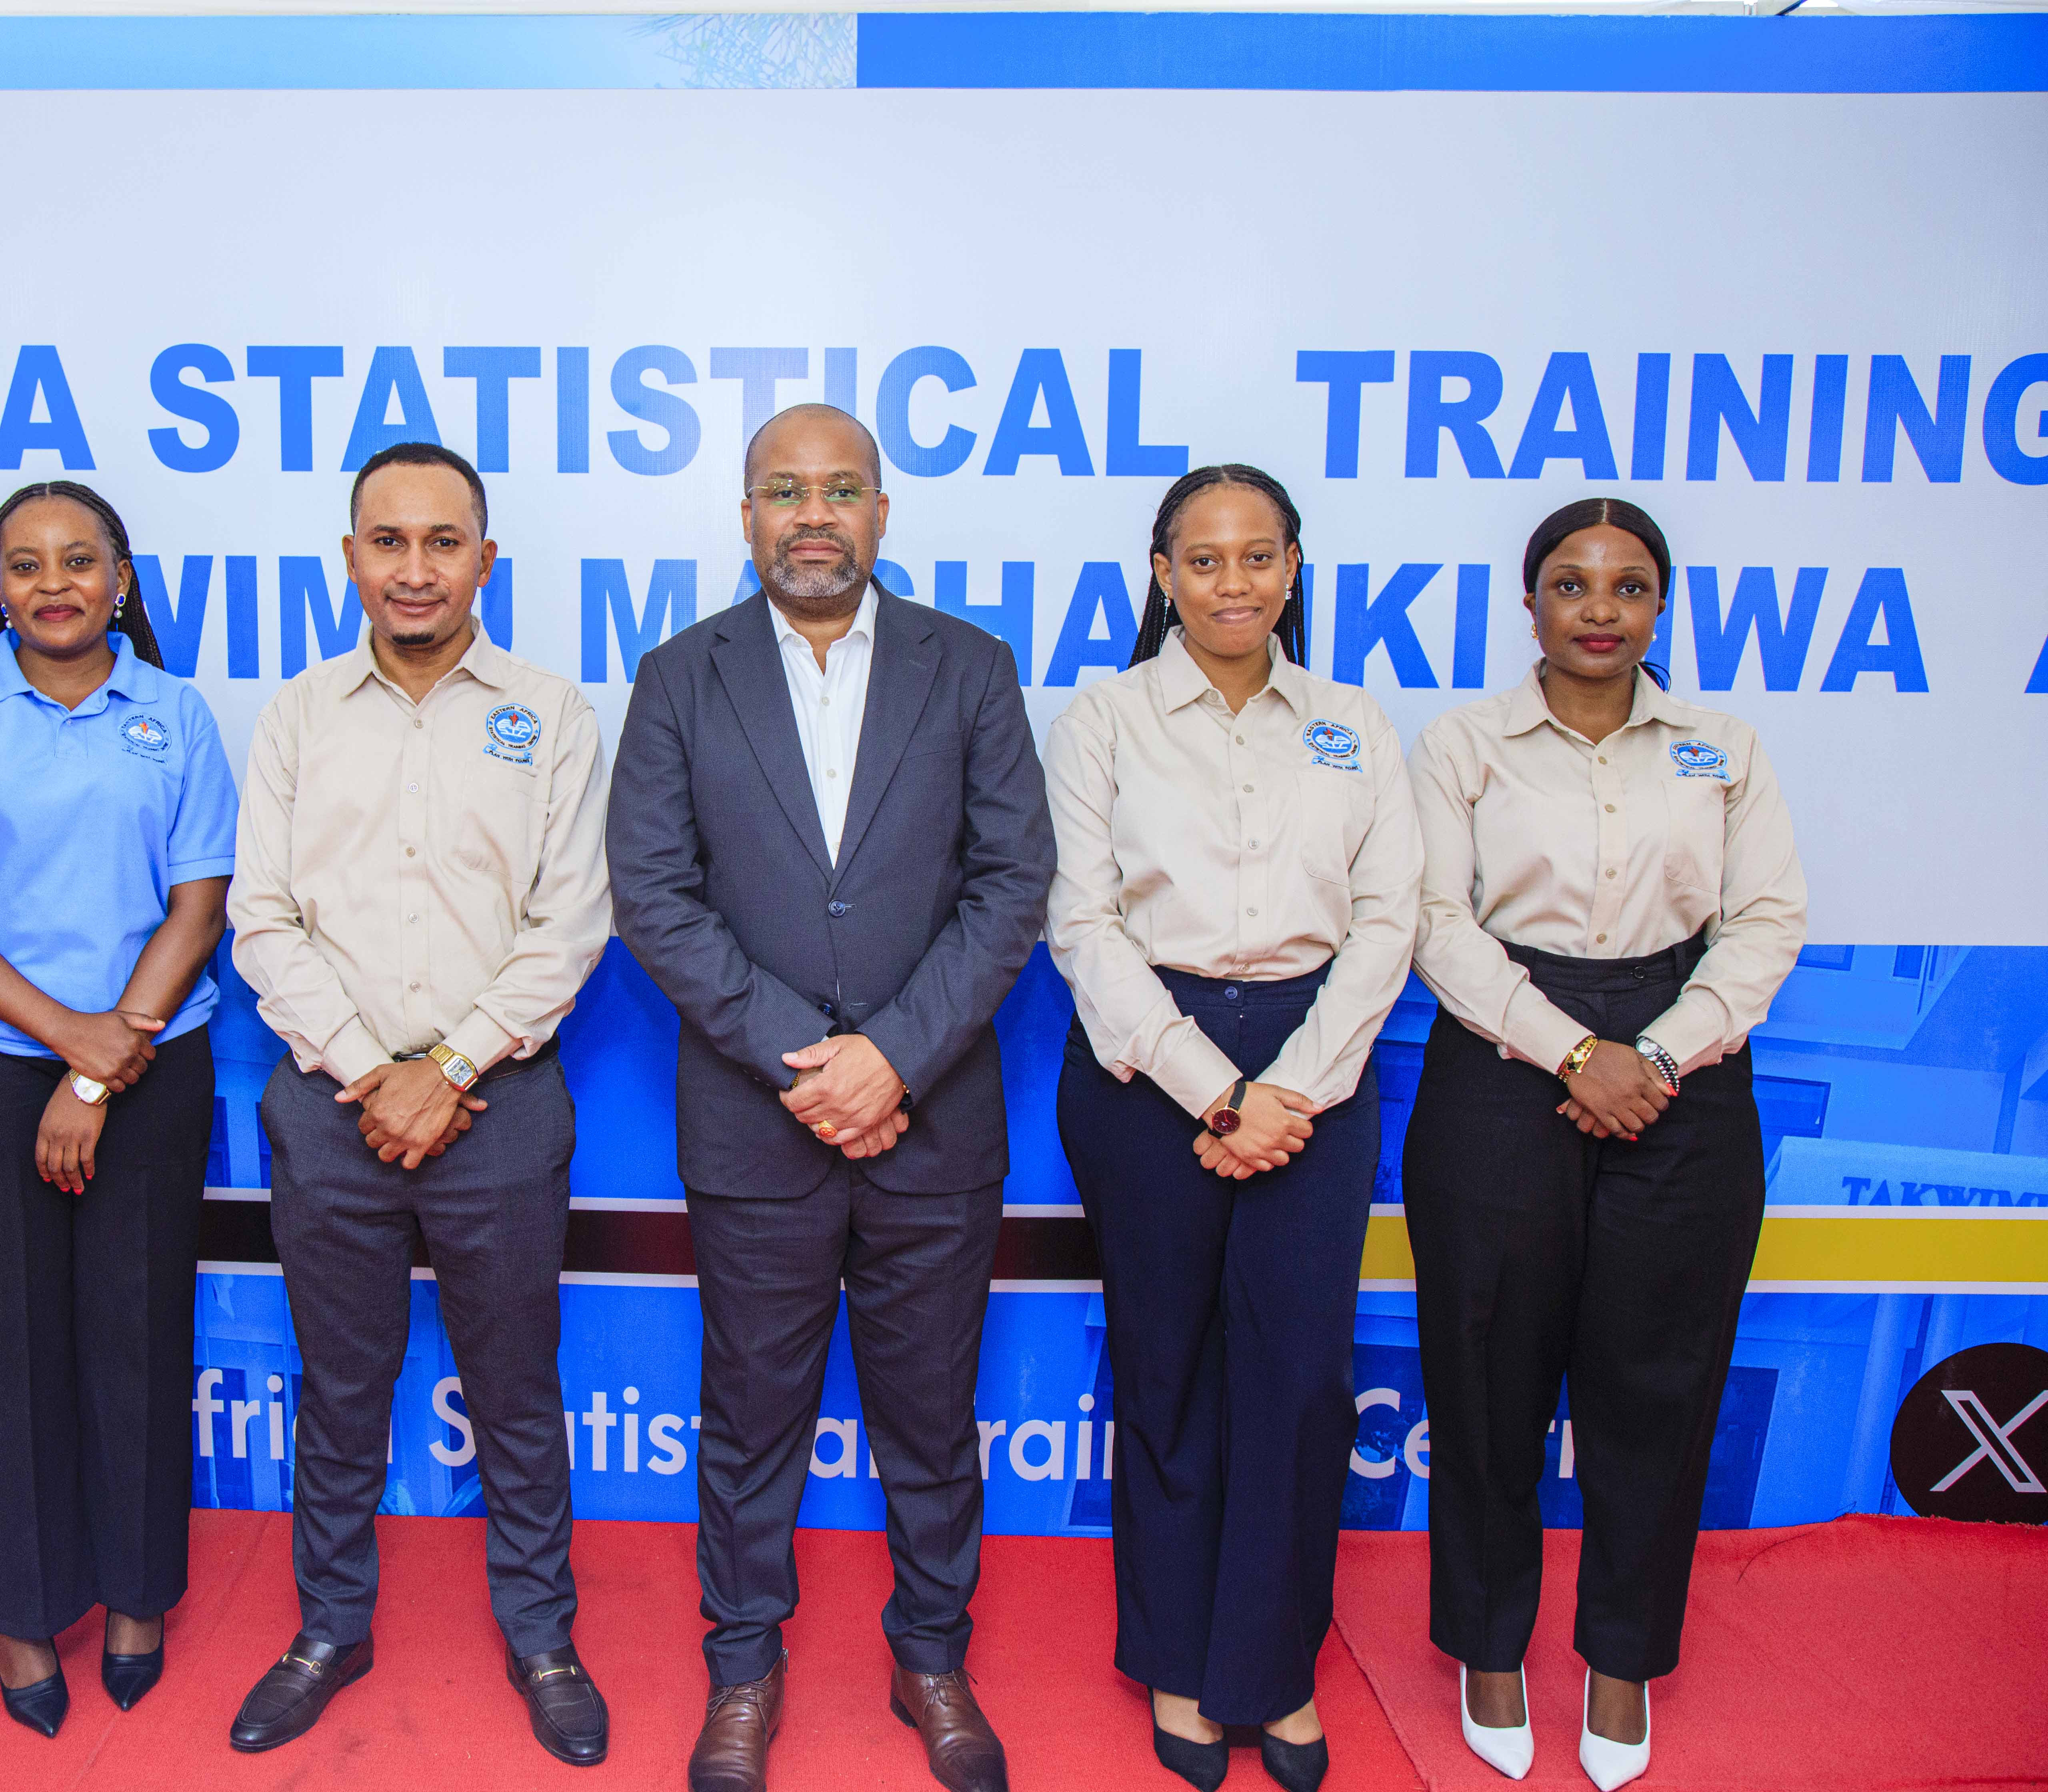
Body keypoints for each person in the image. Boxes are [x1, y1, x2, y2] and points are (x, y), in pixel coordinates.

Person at [609, 404, 1054, 1792]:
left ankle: (933, 1656)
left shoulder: (969, 667)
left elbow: (1013, 886)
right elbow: (653, 897)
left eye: (842, 489)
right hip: (759, 1126)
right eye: (786, 491)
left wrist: (893, 1058)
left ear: (882, 514)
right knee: (751, 1422)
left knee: (931, 1419)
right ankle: (744, 1665)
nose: (815, 515)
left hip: (934, 1122)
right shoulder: (678, 677)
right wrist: (814, 1059)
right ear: (746, 516)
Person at [1402, 498, 1805, 1790]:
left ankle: (1622, 1658)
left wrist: (1658, 1057)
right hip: (1503, 1055)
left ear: (1659, 607)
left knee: (1657, 1384)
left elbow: (1765, 921)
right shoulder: (1463, 745)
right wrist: (1576, 1054)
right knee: (1487, 1378)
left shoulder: (1723, 748)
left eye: (1628, 587)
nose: (1598, 609)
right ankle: (1490, 1646)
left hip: (1685, 1062)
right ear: (1529, 603)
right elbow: (1435, 923)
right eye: (1570, 584)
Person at [223, 442, 614, 1767]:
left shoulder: (552, 714)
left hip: (498, 1106)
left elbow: (571, 923)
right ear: (350, 559)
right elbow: (262, 919)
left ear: (485, 560)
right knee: (341, 1388)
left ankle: (543, 1636)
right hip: (330, 1108)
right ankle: (329, 1629)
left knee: (516, 1389)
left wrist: (444, 1072)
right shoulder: (296, 716)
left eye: (443, 542)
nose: (415, 568)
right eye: (387, 542)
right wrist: (367, 1070)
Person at [1045, 465, 1419, 1792]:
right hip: (1150, 1065)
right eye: (1203, 561)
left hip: (1318, 1061)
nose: (1232, 584)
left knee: (1301, 1383)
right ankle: (1178, 1662)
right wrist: (1215, 1090)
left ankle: (1273, 1669)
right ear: (1162, 575)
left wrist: (1289, 1092)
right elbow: (1083, 925)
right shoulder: (1103, 722)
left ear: (1294, 569)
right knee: (1169, 1374)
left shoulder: (1354, 725)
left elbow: (1390, 922)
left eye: (1259, 557)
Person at [0, 481, 235, 1737]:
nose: (55, 584)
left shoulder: (175, 713)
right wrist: (67, 1040)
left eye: (81, 560)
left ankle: (136, 1600)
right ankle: (22, 1616)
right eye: (25, 565)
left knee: (139, 1337)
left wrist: (98, 1063)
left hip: (146, 1060)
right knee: (5, 1348)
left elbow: (198, 907)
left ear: (120, 580)